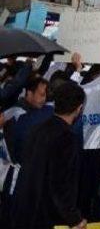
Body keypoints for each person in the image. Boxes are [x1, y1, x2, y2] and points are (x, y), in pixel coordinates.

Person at [11, 81, 87, 229]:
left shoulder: (37, 129)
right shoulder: (67, 137)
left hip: (25, 209)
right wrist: (74, 219)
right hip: (47, 216)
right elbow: (60, 184)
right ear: (79, 109)